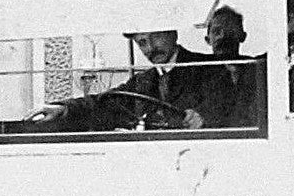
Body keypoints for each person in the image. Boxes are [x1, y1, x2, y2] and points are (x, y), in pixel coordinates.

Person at [27, 30, 214, 131]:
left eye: (155, 37)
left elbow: (224, 104)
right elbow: (105, 103)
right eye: (142, 42)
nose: (150, 48)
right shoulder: (143, 81)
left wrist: (205, 117)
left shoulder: (210, 68)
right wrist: (64, 109)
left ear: (173, 34)